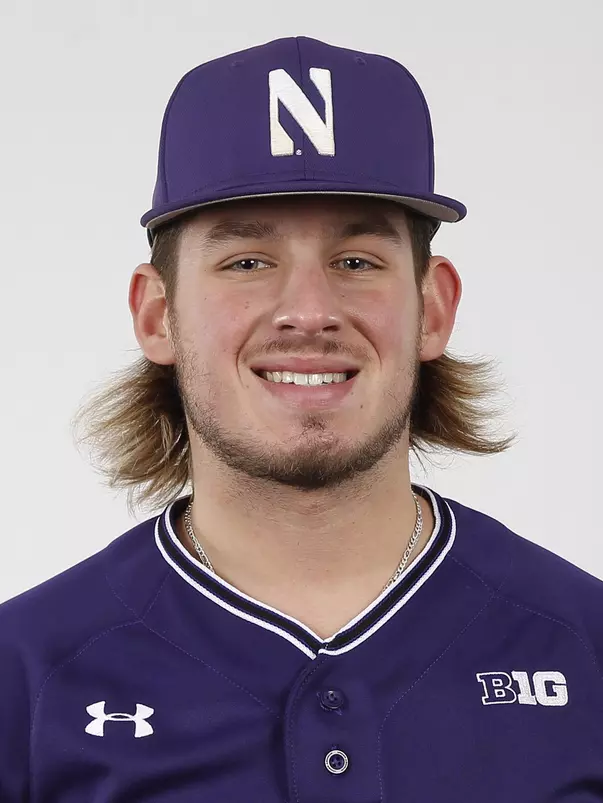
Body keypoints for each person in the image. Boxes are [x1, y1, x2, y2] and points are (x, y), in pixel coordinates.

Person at [1, 35, 603, 802]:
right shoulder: (23, 677)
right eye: (246, 262)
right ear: (157, 314)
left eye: (356, 261)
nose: (309, 312)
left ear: (434, 308)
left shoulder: (584, 645)